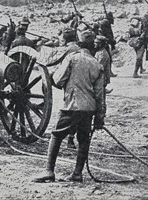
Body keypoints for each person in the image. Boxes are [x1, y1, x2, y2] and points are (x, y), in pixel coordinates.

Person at [32, 30, 105, 183]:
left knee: (56, 135)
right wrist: (99, 118)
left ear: (79, 43)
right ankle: (77, 174)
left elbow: (58, 80)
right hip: (89, 108)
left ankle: (49, 171)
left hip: (72, 105)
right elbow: (100, 96)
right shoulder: (97, 65)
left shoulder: (72, 59)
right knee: (83, 139)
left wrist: (52, 76)